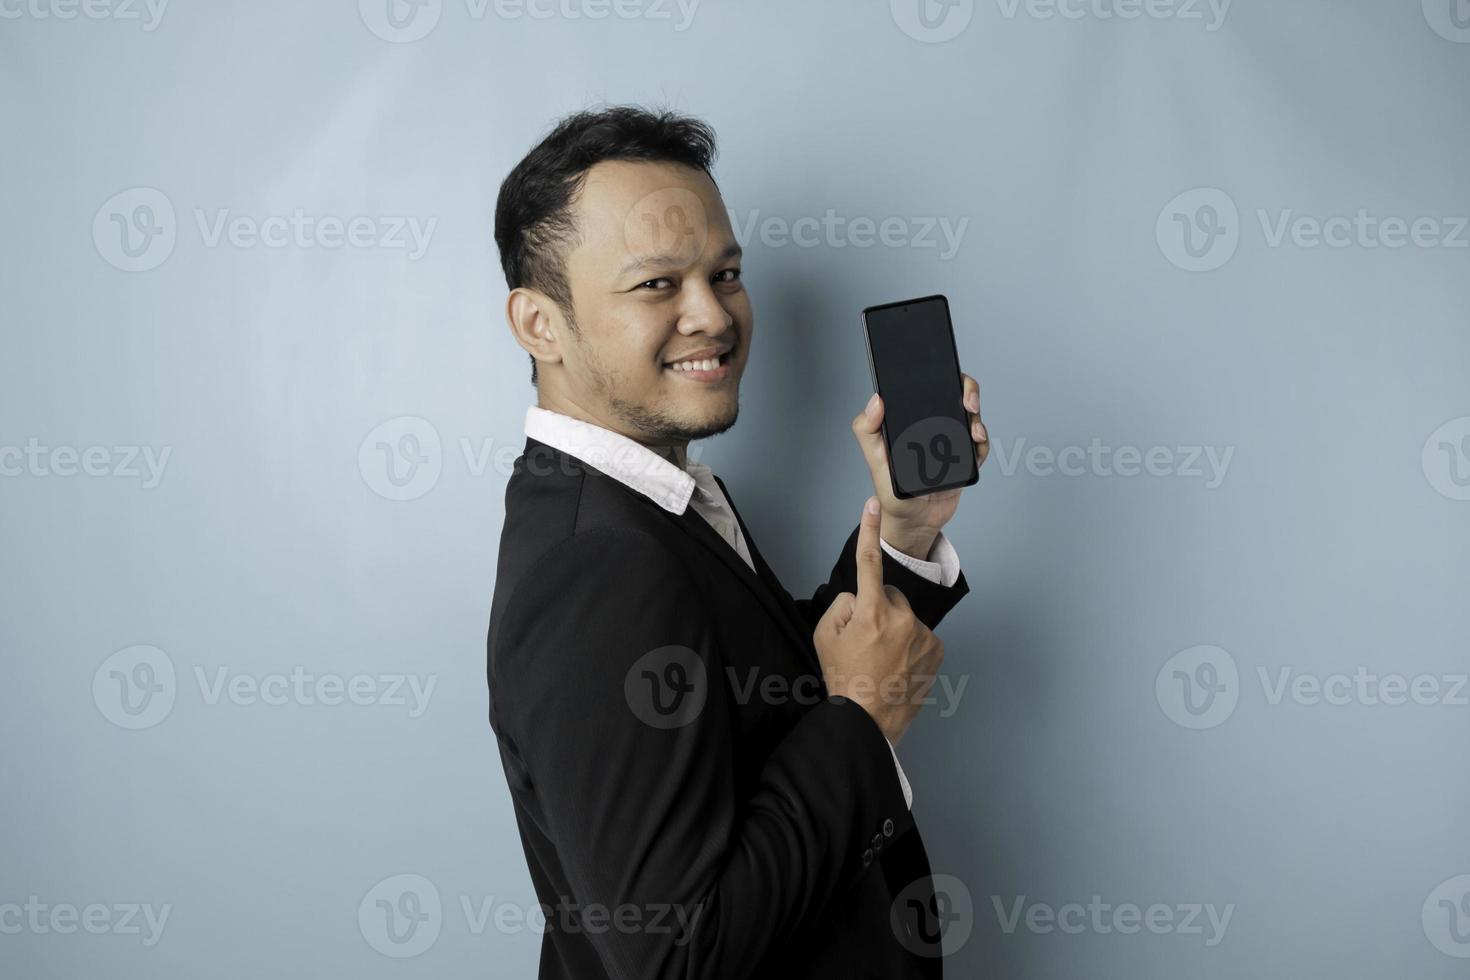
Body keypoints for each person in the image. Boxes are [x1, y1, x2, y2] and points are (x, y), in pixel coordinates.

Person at [486, 104, 991, 979]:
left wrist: (905, 532)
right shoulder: (595, 565)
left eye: (725, 274)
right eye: (656, 285)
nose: (712, 317)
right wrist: (862, 724)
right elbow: (678, 955)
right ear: (539, 324)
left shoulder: (643, 501)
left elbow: (760, 694)